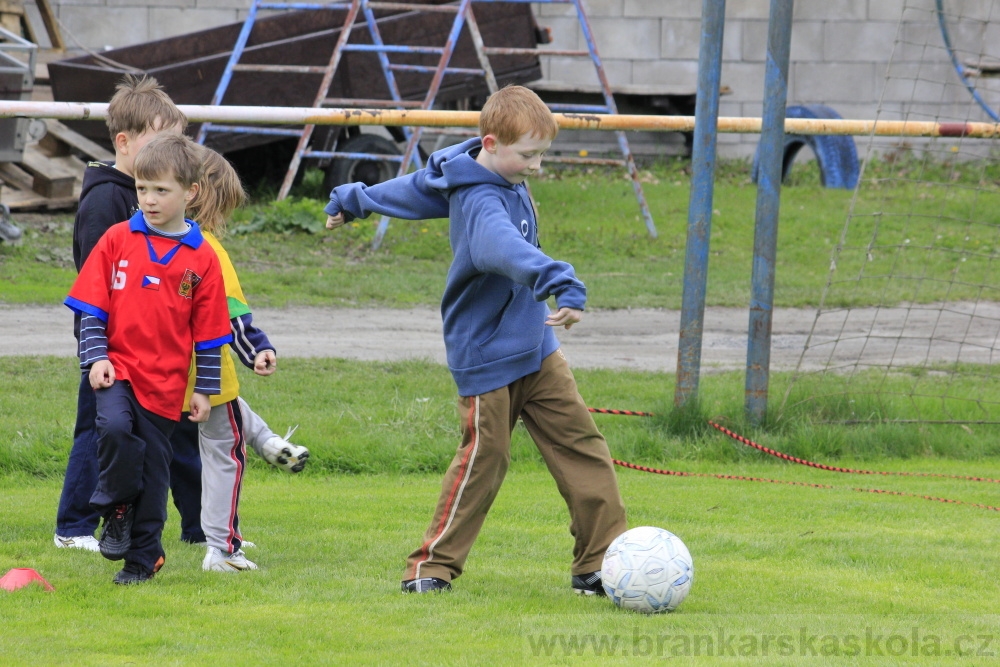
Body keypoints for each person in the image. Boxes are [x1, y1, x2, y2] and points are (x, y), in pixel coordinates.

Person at [324, 85, 627, 595]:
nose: (536, 166)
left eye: (541, 154)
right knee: (485, 460)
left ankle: (599, 563)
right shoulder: (482, 198)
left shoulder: (484, 170)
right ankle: (430, 568)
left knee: (583, 446)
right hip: (487, 353)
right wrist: (560, 281)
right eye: (529, 155)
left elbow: (416, 188)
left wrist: (356, 200)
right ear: (491, 142)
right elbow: (502, 248)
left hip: (537, 347)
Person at [64, 134, 232, 584]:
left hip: (166, 386)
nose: (150, 200)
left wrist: (204, 390)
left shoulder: (203, 258)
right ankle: (116, 507)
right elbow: (92, 307)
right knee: (115, 429)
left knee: (156, 476)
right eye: (142, 189)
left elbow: (211, 335)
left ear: (190, 192)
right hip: (117, 369)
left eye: (161, 190)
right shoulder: (118, 239)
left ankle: (144, 560)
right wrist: (96, 357)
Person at [54, 74, 207, 551]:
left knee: (172, 437)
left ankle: (201, 528)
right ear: (125, 142)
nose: (172, 148)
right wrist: (100, 350)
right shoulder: (107, 199)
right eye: (162, 137)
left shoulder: (154, 199)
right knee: (96, 432)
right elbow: (98, 279)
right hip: (109, 349)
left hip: (158, 351)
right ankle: (74, 526)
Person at [179, 148, 309, 573]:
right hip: (207, 373)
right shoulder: (209, 249)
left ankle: (270, 440)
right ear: (213, 201)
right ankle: (222, 548)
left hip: (155, 370)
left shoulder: (147, 238)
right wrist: (257, 352)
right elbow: (231, 313)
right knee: (224, 453)